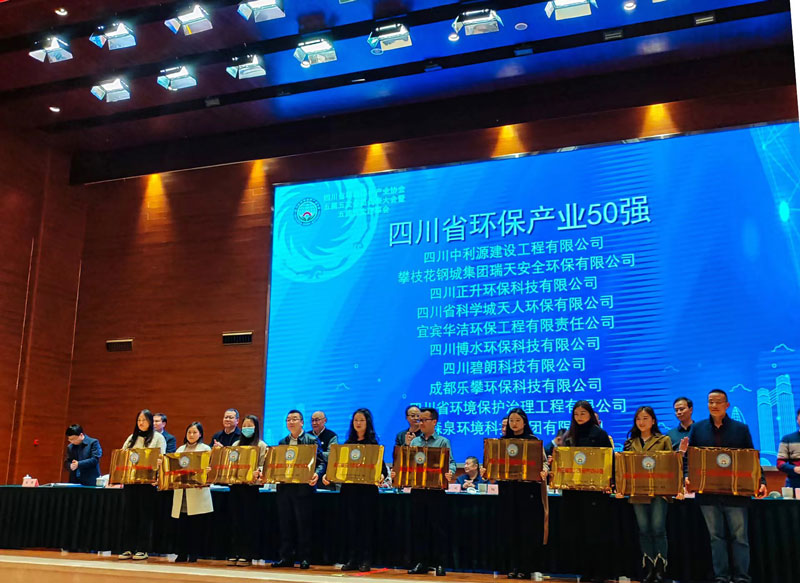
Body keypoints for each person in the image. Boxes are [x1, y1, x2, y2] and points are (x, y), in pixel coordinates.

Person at [686, 389, 767, 583]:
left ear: (727, 405)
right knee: (716, 537)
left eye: (718, 401)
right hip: (708, 492)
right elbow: (690, 458)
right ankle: (721, 576)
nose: (714, 405)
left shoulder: (741, 429)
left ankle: (741, 577)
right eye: (710, 402)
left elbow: (752, 458)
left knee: (740, 537)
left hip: (736, 493)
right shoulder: (698, 428)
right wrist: (687, 477)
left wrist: (761, 481)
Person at [619, 406, 684, 583]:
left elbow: (670, 465)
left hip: (659, 491)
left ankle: (661, 567)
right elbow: (625, 468)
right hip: (638, 492)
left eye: (645, 418)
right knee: (644, 530)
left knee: (658, 529)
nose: (641, 422)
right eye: (638, 419)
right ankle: (648, 567)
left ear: (653, 421)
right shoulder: (630, 443)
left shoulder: (663, 440)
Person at [322, 408, 387, 572]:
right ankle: (353, 558)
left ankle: (366, 559)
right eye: (356, 420)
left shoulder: (373, 445)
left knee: (366, 526)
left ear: (368, 423)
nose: (358, 423)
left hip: (367, 493)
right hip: (349, 492)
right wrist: (329, 476)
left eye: (362, 420)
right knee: (351, 526)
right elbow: (339, 467)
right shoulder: (347, 444)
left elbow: (382, 470)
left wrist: (381, 476)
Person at [560, 400, 614, 583]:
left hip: (594, 492)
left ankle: (601, 571)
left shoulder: (599, 434)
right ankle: (586, 570)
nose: (579, 417)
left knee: (596, 533)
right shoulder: (569, 435)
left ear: (590, 414)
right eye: (576, 414)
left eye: (583, 413)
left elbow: (609, 461)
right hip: (574, 491)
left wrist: (608, 482)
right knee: (580, 533)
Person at [271, 409, 326, 570]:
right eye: (288, 419)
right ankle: (286, 557)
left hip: (303, 490)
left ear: (302, 422)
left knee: (303, 525)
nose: (291, 422)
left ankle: (304, 558)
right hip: (285, 488)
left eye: (294, 419)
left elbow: (321, 462)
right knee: (285, 524)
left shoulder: (311, 440)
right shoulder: (282, 442)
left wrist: (316, 474)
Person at [407, 407, 456, 577]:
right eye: (419, 420)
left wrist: (450, 472)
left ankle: (440, 564)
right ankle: (421, 562)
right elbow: (409, 463)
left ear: (434, 422)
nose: (420, 423)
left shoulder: (442, 442)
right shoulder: (415, 442)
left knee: (438, 529)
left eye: (423, 420)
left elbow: (451, 463)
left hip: (436, 491)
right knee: (419, 528)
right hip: (418, 490)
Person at [500, 408, 548, 580]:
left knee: (527, 530)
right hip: (508, 490)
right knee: (510, 529)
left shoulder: (533, 441)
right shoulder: (502, 442)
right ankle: (513, 566)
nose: (514, 424)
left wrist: (544, 471)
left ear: (524, 422)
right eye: (511, 421)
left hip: (528, 492)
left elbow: (544, 463)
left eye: (517, 420)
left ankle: (527, 567)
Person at [118, 409, 167, 561]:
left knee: (145, 516)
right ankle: (128, 548)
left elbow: (162, 459)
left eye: (144, 420)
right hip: (131, 481)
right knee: (130, 515)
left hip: (147, 483)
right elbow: (123, 455)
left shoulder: (158, 438)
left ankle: (142, 548)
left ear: (150, 422)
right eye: (139, 420)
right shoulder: (131, 438)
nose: (141, 423)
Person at [228, 414, 268, 567]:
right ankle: (235, 552)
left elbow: (263, 465)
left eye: (250, 425)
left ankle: (247, 554)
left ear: (256, 427)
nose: (246, 428)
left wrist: (258, 472)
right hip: (236, 487)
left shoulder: (261, 445)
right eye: (244, 425)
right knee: (235, 520)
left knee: (249, 521)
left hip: (251, 489)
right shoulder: (236, 444)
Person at [170, 422, 213, 563]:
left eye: (195, 432)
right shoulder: (180, 449)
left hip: (197, 492)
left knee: (195, 525)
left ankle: (194, 553)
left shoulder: (205, 449)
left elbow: (210, 470)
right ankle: (181, 553)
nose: (191, 435)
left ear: (200, 434)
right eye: (189, 432)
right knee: (182, 525)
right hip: (181, 492)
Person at [777, 408, 800, 489]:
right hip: (795, 483)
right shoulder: (787, 439)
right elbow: (780, 463)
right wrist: (794, 469)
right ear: (797, 419)